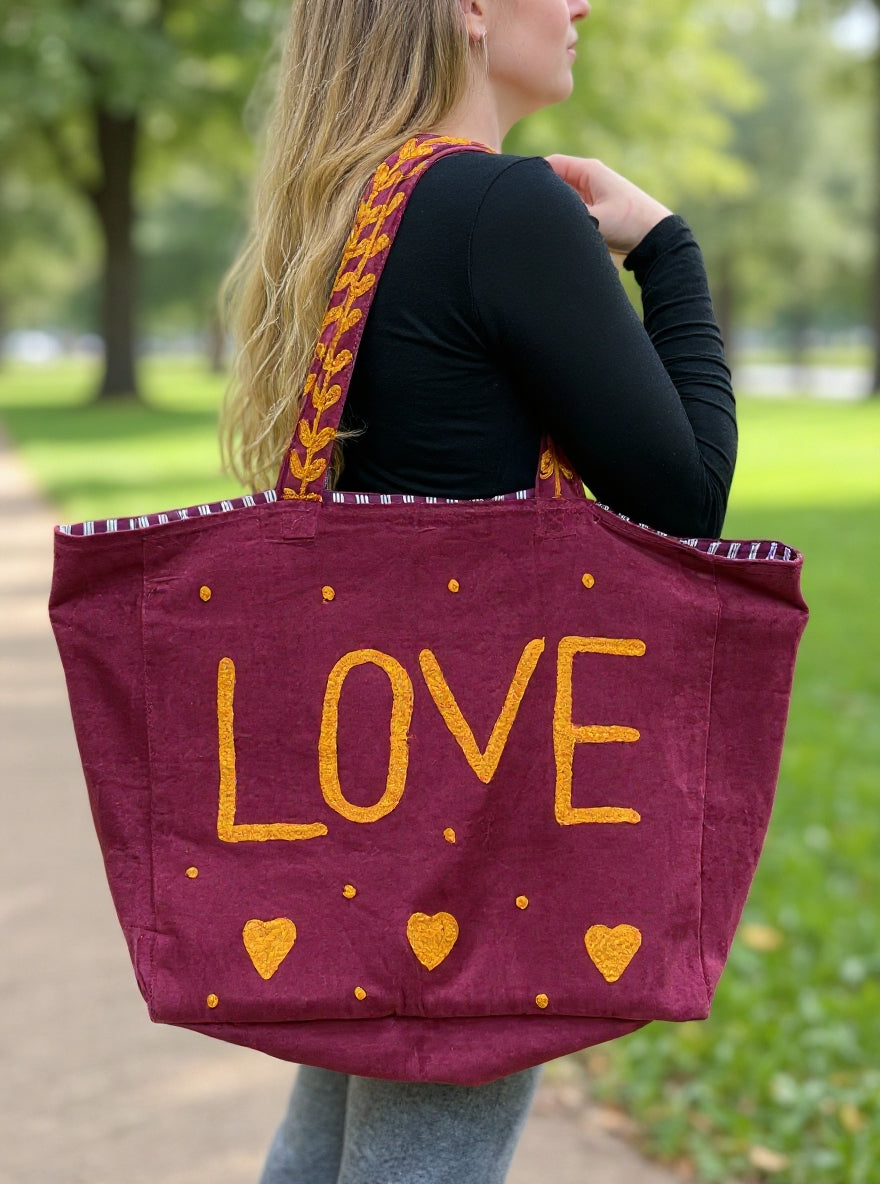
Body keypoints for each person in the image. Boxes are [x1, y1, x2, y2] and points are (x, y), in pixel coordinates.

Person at [218, 0, 737, 1180]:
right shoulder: (499, 207)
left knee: (328, 1134)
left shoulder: (349, 205)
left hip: (367, 770)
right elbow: (685, 495)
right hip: (485, 768)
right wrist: (669, 251)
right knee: (423, 1153)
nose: (579, 7)